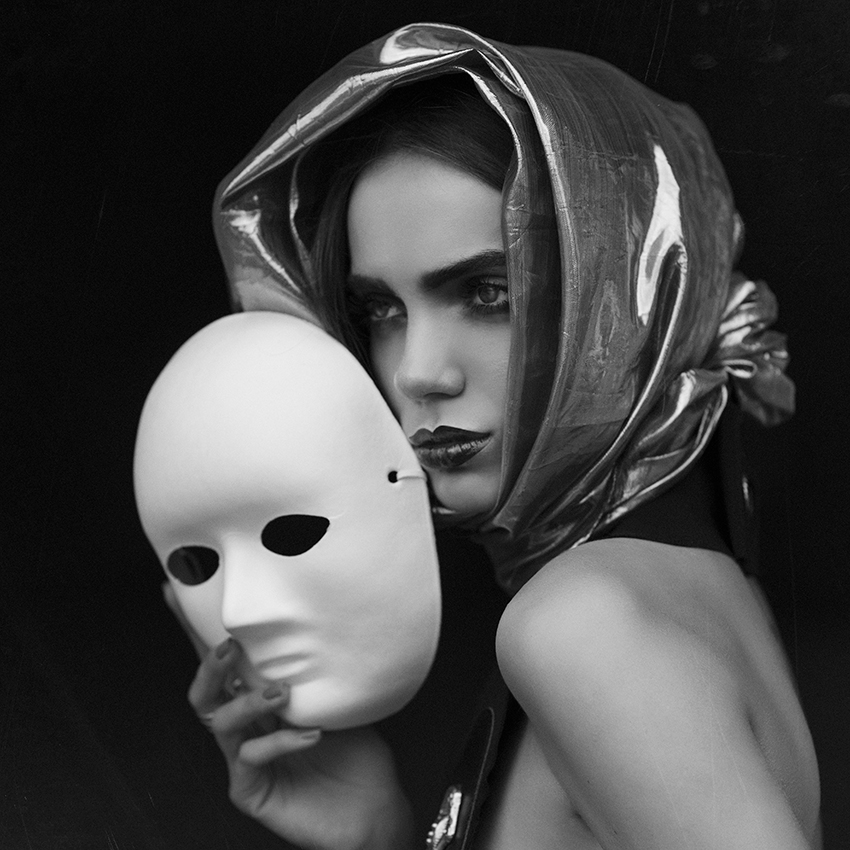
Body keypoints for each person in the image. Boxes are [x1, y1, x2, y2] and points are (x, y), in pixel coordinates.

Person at [187, 23, 821, 849]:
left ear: (630, 297)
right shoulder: (691, 592)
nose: (418, 372)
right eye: (381, 310)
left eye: (488, 293)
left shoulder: (581, 622)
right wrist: (377, 836)